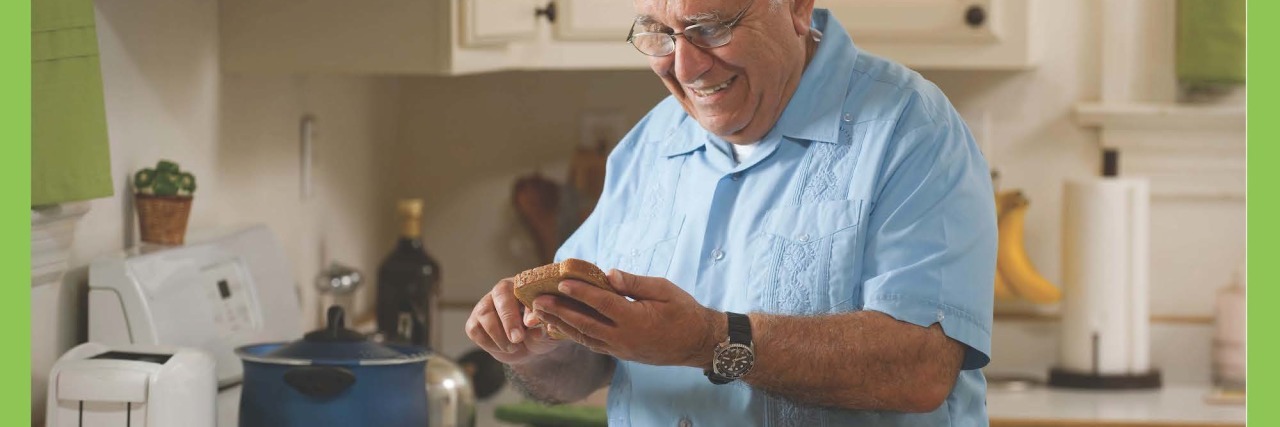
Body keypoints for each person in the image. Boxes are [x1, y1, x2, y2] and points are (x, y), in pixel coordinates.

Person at [465, 0, 997, 425]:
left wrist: (710, 339)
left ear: (796, 7)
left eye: (712, 28)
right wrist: (531, 348)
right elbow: (584, 368)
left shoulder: (911, 129)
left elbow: (922, 369)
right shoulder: (646, 147)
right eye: (657, 32)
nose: (685, 65)